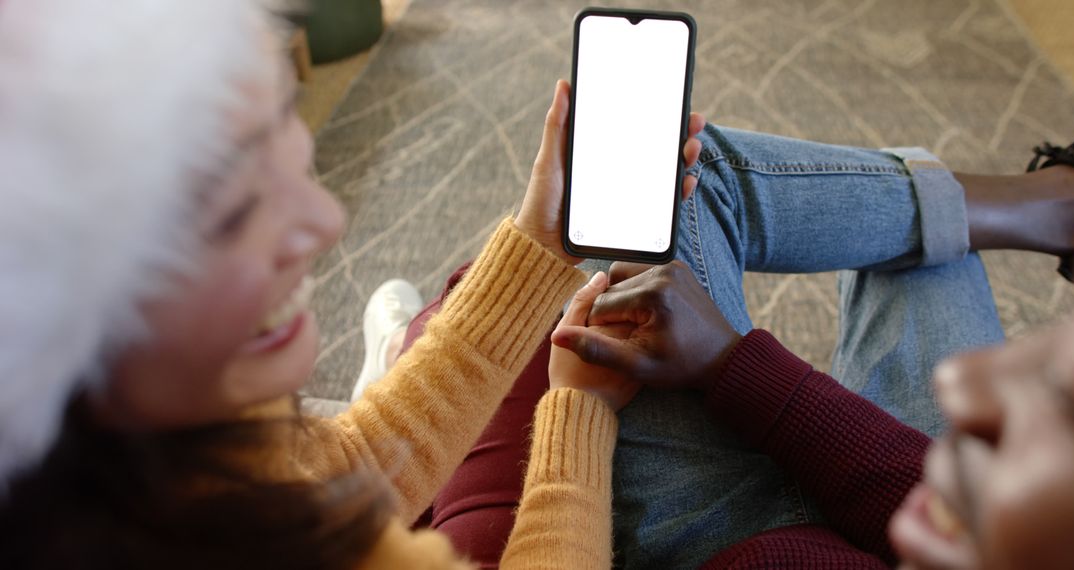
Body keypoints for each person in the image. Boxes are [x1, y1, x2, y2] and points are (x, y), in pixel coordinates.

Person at [0, 1, 704, 568]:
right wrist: (577, 415)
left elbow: (333, 469)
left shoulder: (171, 439)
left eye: (290, 138)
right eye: (238, 211)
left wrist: (540, 241)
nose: (328, 222)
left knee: (479, 287)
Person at [365, 97, 1074, 569]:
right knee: (917, 238)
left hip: (712, 543)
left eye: (1069, 411)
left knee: (686, 186)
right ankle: (1050, 207)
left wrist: (582, 405)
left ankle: (1051, 205)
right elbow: (926, 494)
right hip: (890, 519)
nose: (967, 380)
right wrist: (731, 364)